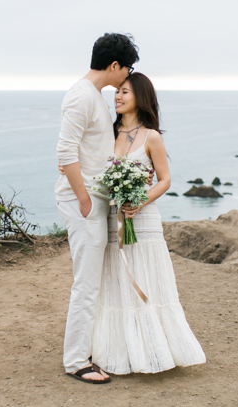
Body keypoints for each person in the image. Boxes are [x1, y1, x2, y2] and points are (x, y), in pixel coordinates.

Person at [90, 72, 206, 374]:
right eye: (116, 92)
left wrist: (139, 201)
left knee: (147, 281)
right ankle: (121, 352)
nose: (117, 97)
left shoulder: (152, 136)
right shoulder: (107, 133)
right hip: (114, 220)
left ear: (140, 97)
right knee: (117, 283)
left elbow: (165, 179)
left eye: (124, 92)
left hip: (144, 221)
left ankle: (156, 352)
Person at [55, 33, 139, 384]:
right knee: (87, 283)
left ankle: (87, 347)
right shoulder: (80, 96)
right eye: (128, 67)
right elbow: (65, 153)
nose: (128, 75)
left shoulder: (93, 97)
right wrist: (87, 201)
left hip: (94, 200)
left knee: (95, 282)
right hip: (83, 202)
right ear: (115, 65)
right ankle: (76, 360)